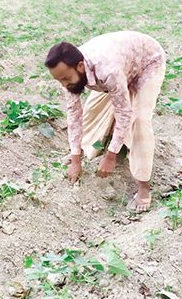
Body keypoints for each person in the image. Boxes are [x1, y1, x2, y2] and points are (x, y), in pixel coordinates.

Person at [45, 31, 167, 212]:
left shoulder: (108, 70)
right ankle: (86, 149)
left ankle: (143, 188)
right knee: (92, 110)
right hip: (122, 64)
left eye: (65, 79)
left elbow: (124, 113)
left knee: (139, 120)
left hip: (148, 62)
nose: (63, 85)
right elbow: (74, 114)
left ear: (80, 67)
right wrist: (76, 157)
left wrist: (111, 156)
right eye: (58, 80)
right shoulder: (69, 74)